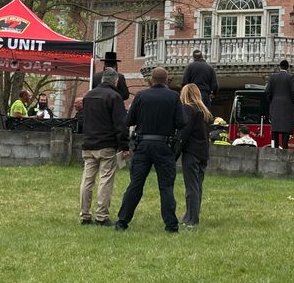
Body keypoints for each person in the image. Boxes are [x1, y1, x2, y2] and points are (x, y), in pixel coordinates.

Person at [115, 67, 186, 232]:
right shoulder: (174, 97)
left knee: (135, 184)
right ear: (166, 80)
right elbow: (182, 122)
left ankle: (122, 222)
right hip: (164, 145)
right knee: (166, 187)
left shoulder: (141, 96)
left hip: (143, 145)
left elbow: (128, 120)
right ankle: (171, 225)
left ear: (151, 80)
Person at [79, 68, 130, 226]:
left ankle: (84, 214)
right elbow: (121, 124)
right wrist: (124, 145)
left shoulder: (88, 96)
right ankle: (101, 215)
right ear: (115, 81)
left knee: (87, 180)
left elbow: (83, 120)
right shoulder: (114, 97)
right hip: (107, 143)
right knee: (105, 180)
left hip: (88, 143)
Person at [178, 83, 213, 227]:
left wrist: (176, 150)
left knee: (191, 187)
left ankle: (191, 219)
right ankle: (193, 216)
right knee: (197, 186)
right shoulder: (204, 111)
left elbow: (184, 133)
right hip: (203, 153)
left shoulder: (188, 109)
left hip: (191, 152)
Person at [265, 59, 294, 149]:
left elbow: (267, 91)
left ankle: (275, 147)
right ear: (288, 67)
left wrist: (272, 101)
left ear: (280, 67)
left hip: (275, 106)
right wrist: (293, 103)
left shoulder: (273, 77)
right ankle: (285, 148)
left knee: (275, 130)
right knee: (285, 131)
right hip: (287, 107)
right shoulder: (290, 77)